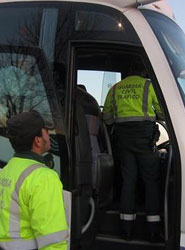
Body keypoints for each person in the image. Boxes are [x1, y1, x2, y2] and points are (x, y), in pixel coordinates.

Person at [103, 68, 163, 242]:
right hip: (145, 138)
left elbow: (106, 116)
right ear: (143, 71)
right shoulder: (148, 85)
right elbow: (161, 111)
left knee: (128, 180)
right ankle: (153, 229)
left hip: (124, 139)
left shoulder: (115, 88)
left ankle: (126, 229)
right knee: (151, 180)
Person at [0, 111, 68, 250]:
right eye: (46, 132)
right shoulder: (44, 178)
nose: (49, 136)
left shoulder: (7, 169)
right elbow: (53, 242)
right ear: (38, 140)